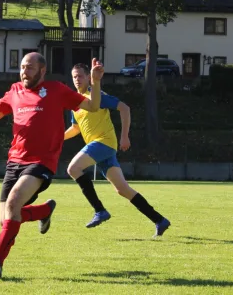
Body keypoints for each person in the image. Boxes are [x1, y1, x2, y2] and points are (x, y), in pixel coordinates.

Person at [0, 53, 104, 278]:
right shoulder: (15, 90)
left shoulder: (57, 89)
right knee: (6, 218)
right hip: (14, 161)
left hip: (41, 162)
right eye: (22, 67)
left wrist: (95, 81)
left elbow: (93, 106)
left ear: (42, 71)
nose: (24, 72)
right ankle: (45, 211)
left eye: (29, 68)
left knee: (14, 202)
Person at [64, 63, 171, 236]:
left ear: (88, 77)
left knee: (73, 168)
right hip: (100, 148)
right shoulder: (75, 102)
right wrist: (58, 138)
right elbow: (75, 128)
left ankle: (99, 210)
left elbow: (124, 108)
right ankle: (160, 220)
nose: (77, 79)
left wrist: (124, 136)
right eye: (74, 76)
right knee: (123, 189)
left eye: (80, 76)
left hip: (104, 143)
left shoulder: (96, 95)